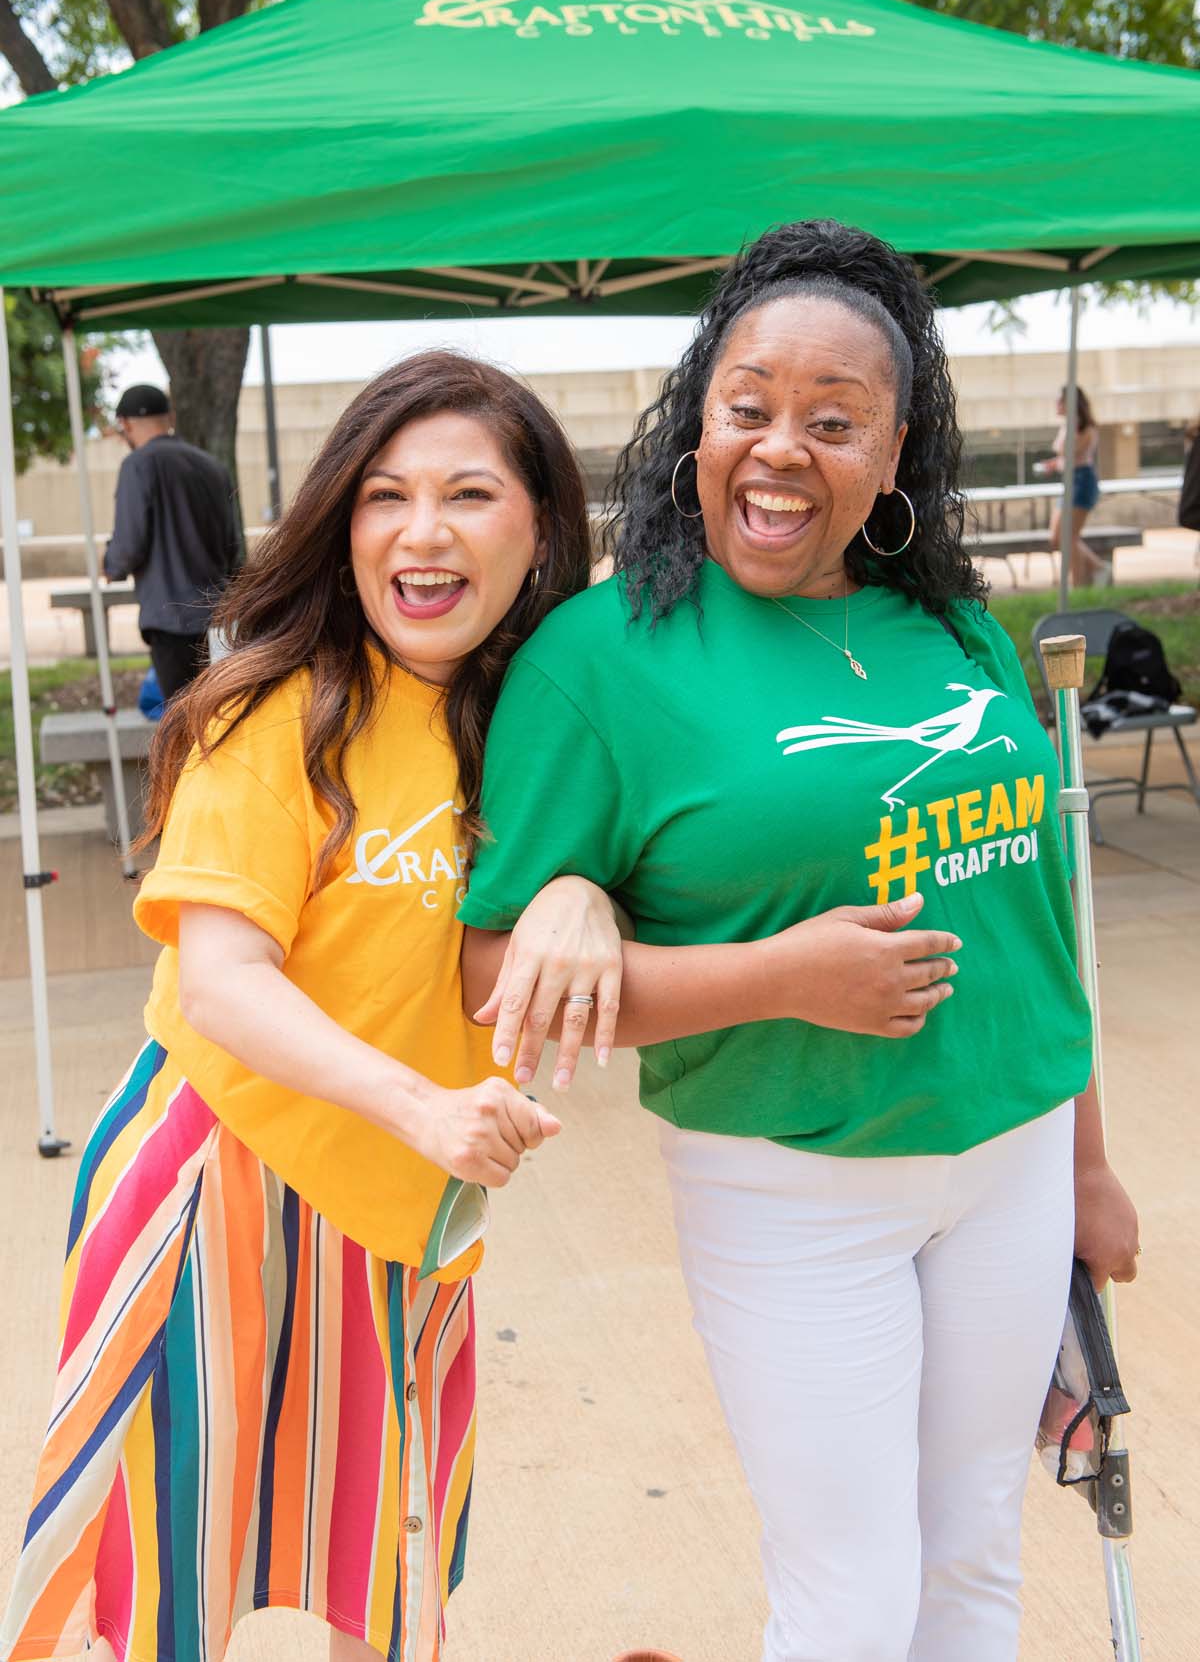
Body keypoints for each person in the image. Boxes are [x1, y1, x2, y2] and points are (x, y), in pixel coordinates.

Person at [459, 221, 1141, 1662]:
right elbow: (491, 977)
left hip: (1011, 1160)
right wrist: (782, 977)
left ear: (893, 457)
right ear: (697, 417)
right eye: (749, 406)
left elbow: (1033, 916)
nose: (781, 449)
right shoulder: (599, 660)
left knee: (973, 1565)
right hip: (795, 1185)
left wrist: (1084, 1164)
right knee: (849, 1595)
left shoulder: (954, 624)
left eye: (834, 423)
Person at [0, 353, 631, 1662]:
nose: (423, 531)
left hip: (415, 1212)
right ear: (343, 523)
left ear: (541, 528)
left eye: (469, 492)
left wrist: (582, 889)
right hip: (220, 1181)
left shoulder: (550, 723)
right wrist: (425, 1107)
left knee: (389, 1564)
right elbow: (225, 981)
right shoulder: (276, 713)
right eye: (385, 495)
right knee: (172, 1578)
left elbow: (624, 877)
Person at [103, 383, 243, 701]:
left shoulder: (138, 465)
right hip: (218, 616)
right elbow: (233, 547)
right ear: (170, 417)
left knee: (181, 730)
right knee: (219, 718)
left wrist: (111, 564)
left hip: (170, 619)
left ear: (124, 424)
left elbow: (129, 544)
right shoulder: (212, 467)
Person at [1038, 385, 1107, 588]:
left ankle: (1078, 583)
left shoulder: (1085, 428)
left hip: (1082, 481)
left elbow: (1072, 453)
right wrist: (1052, 464)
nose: (1056, 405)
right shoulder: (1067, 426)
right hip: (1069, 481)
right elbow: (1065, 457)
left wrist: (1061, 458)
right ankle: (1097, 567)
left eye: (1060, 401)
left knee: (1069, 536)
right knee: (1057, 537)